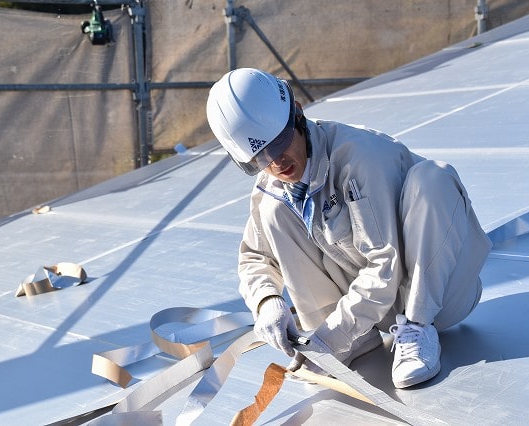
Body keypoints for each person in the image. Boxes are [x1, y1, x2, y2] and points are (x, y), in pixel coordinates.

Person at [206, 68, 492, 388]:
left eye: (281, 143)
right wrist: (267, 302)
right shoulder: (273, 187)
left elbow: (388, 263)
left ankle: (416, 328)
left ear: (297, 113)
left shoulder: (359, 157)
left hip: (443, 295)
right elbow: (255, 257)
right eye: (261, 157)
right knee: (276, 210)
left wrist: (332, 336)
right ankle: (352, 341)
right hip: (374, 310)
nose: (277, 163)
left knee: (433, 178)